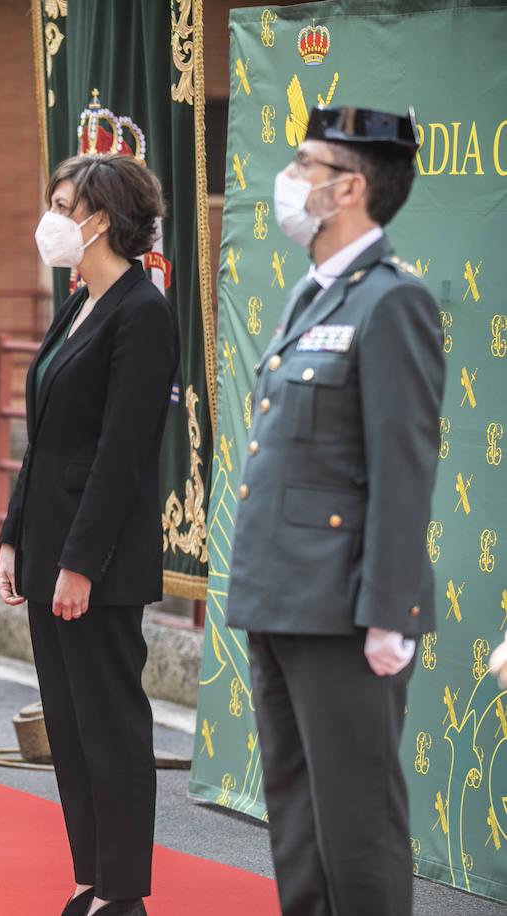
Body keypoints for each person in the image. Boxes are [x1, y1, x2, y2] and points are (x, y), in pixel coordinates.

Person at [224, 106, 441, 916]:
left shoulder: (391, 302)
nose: (290, 177)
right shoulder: (312, 293)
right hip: (282, 597)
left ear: (349, 186)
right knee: (299, 823)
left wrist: (389, 613)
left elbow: (404, 467)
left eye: (304, 163)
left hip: (346, 612)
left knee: (358, 825)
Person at [0, 153, 178, 916]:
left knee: (110, 725)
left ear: (99, 218)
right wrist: (12, 535)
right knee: (67, 726)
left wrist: (79, 563)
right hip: (47, 543)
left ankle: (125, 891)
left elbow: (122, 452)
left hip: (94, 557)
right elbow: (45, 437)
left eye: (63, 204)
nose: (52, 217)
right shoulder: (78, 303)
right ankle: (91, 877)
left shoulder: (142, 310)